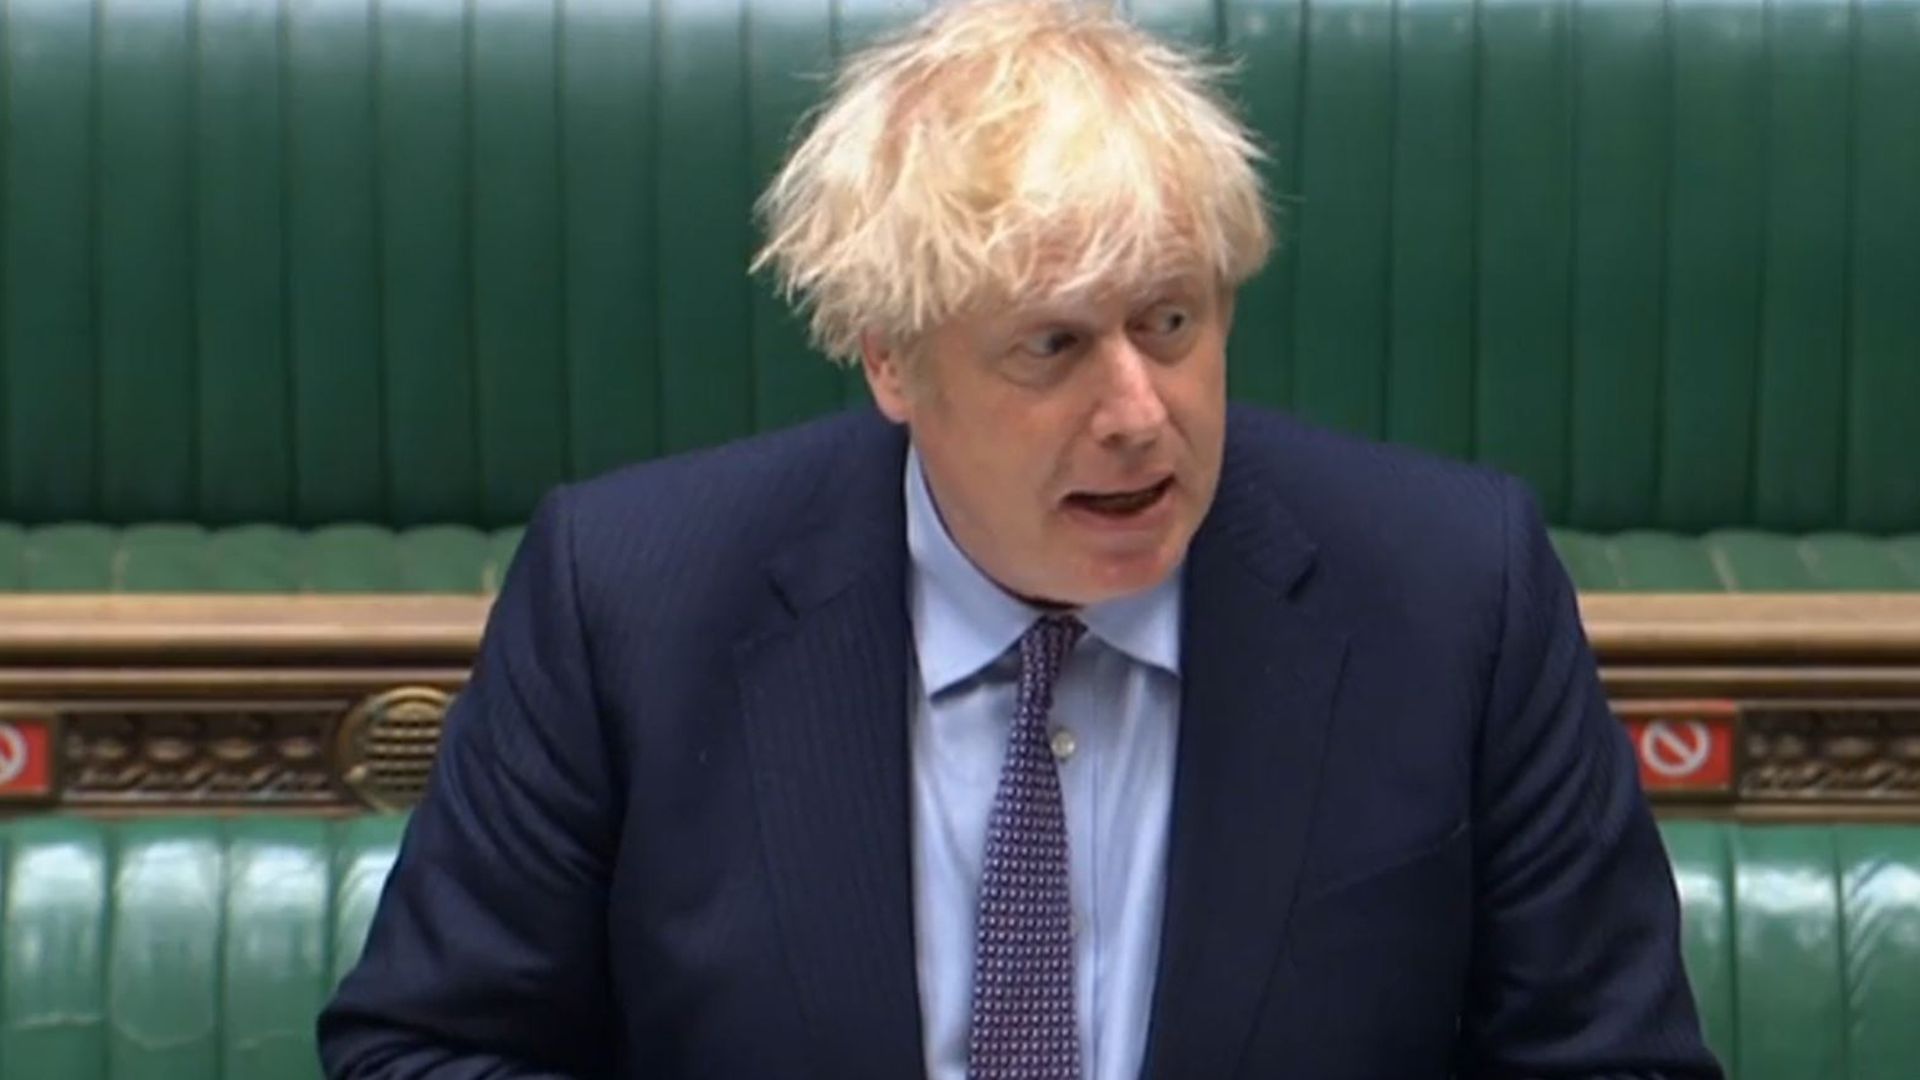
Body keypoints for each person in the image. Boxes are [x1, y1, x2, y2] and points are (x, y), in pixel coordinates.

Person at [318, 1, 1722, 1077]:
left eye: (1172, 324)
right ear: (890, 361)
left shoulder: (1453, 591)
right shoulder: (626, 599)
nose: (1137, 412)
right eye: (1051, 346)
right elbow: (419, 1048)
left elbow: (1624, 1061)